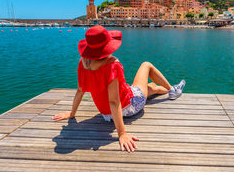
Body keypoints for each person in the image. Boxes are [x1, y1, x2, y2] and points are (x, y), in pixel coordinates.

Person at [52, 25, 185, 152]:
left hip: (106, 114)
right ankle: (173, 90)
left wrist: (72, 113)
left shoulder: (84, 63)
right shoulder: (112, 65)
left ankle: (166, 90)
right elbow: (114, 102)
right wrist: (122, 133)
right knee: (146, 65)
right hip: (130, 106)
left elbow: (80, 91)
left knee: (152, 88)